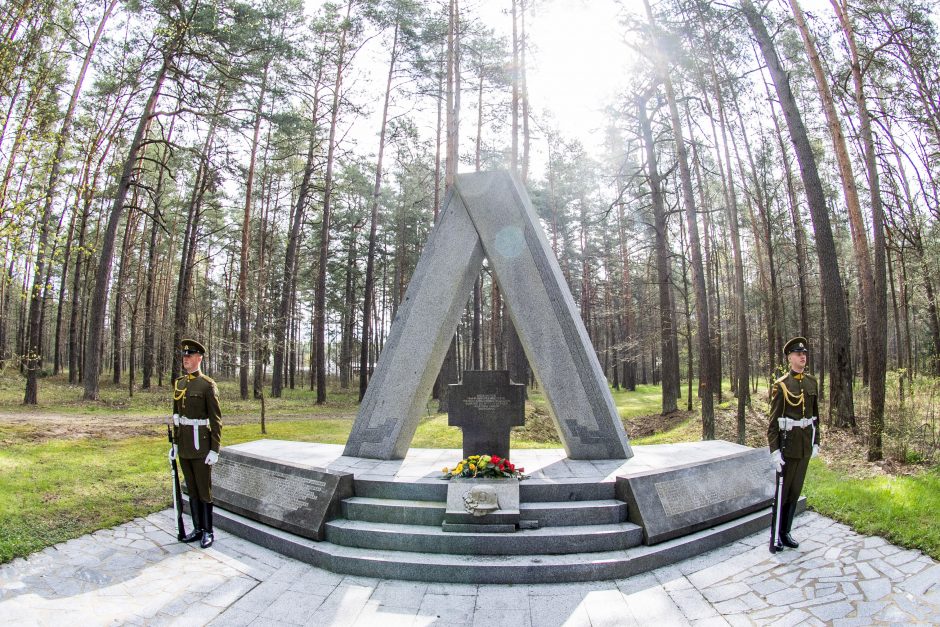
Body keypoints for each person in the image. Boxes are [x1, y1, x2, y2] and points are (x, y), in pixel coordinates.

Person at [767, 336, 820, 550]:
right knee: (783, 493)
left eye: (804, 354)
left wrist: (817, 442)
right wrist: (774, 452)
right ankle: (776, 536)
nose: (803, 357)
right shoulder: (781, 385)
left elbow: (816, 416)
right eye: (798, 354)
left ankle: (786, 532)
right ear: (790, 358)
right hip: (787, 447)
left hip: (804, 446)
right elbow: (773, 423)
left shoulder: (811, 382)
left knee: (795, 492)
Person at [169, 339, 222, 548]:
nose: (186, 359)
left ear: (199, 358)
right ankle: (197, 527)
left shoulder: (207, 385)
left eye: (189, 356)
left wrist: (215, 449)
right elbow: (176, 416)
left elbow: (216, 420)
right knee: (191, 488)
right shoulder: (179, 383)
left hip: (201, 446)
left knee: (203, 490)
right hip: (184, 446)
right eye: (184, 356)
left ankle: (208, 531)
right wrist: (174, 444)